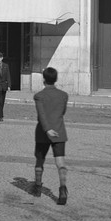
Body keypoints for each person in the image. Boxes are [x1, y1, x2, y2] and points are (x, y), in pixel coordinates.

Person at [33, 67, 69, 205]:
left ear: (44, 79)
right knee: (60, 162)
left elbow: (41, 115)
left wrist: (47, 129)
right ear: (56, 79)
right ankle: (63, 188)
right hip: (59, 131)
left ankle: (37, 187)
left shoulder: (39, 96)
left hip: (43, 132)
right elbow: (62, 112)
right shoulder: (63, 95)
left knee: (40, 160)